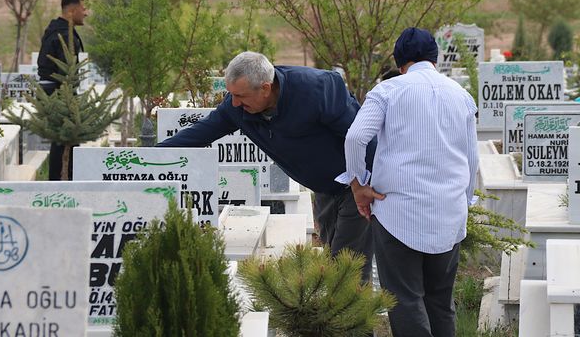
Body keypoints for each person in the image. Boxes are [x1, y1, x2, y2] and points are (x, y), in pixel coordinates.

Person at [158, 51, 378, 281]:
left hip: (354, 185)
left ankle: (352, 317)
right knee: (334, 262)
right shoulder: (237, 108)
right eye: (231, 95)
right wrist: (145, 158)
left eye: (240, 96)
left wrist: (363, 184)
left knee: (347, 270)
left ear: (265, 88)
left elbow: (361, 137)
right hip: (323, 189)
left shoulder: (318, 89)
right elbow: (199, 134)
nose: (234, 103)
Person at [337, 28, 479, 337]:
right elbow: (471, 160)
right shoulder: (462, 96)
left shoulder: (388, 91)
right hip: (449, 212)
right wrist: (464, 202)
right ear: (434, 58)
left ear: (400, 62)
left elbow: (356, 137)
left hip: (397, 212)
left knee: (405, 299)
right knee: (440, 301)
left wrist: (358, 186)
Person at [37, 0, 87, 180]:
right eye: (83, 8)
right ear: (72, 11)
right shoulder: (64, 35)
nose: (86, 13)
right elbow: (65, 72)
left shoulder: (58, 30)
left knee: (63, 143)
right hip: (59, 94)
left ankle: (61, 181)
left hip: (57, 92)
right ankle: (60, 183)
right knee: (63, 143)